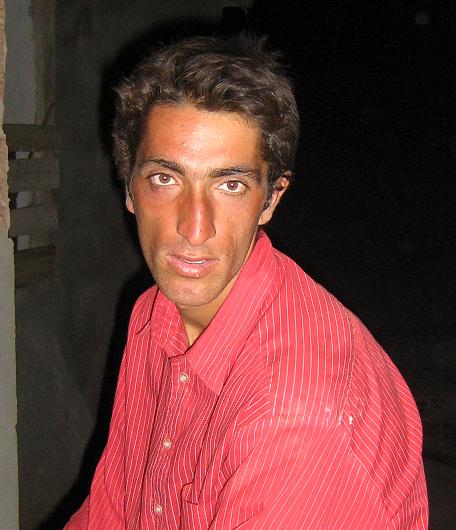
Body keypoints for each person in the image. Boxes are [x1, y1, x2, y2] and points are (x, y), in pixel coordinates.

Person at [65, 34, 428, 529]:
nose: (195, 228)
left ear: (271, 199)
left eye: (230, 185)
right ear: (129, 187)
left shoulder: (293, 415)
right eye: (166, 179)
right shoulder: (154, 313)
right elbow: (114, 505)